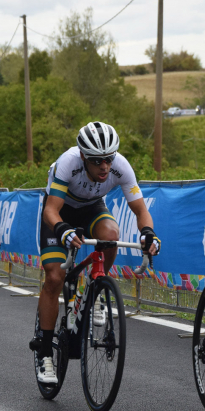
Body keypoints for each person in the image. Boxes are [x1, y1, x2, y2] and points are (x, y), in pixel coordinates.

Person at [35, 122, 161, 384]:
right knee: (56, 276)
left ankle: (95, 288)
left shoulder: (120, 166)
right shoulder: (68, 163)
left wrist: (148, 233)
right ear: (83, 156)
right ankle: (45, 353)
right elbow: (51, 211)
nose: (104, 166)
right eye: (97, 161)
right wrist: (62, 230)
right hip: (58, 213)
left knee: (111, 236)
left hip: (92, 208)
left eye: (108, 159)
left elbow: (140, 210)